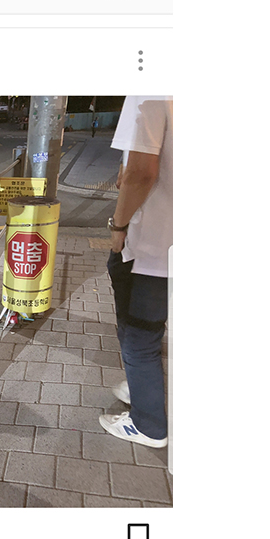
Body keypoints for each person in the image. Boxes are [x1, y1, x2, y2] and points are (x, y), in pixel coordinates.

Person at [100, 96, 173, 451]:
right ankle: (142, 385)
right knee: (150, 329)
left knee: (139, 334)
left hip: (155, 242)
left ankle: (149, 424)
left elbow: (141, 172)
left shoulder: (150, 91)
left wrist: (118, 226)